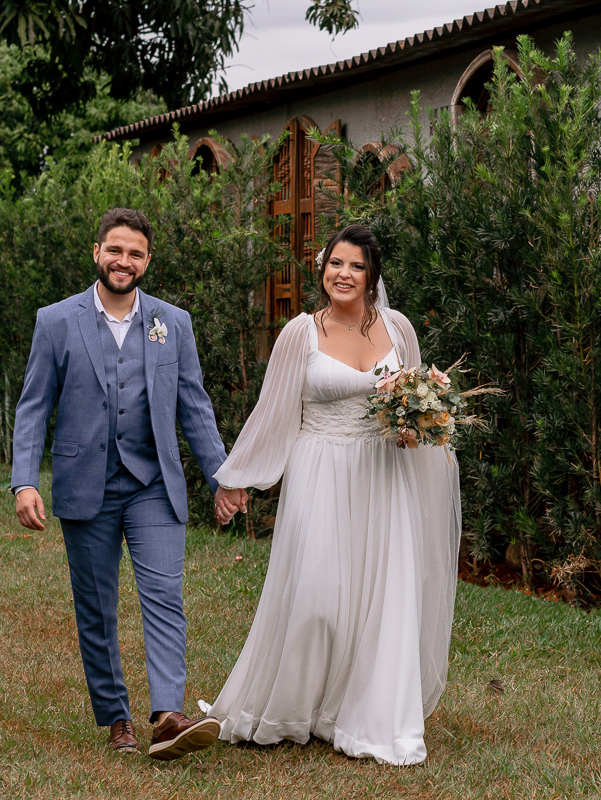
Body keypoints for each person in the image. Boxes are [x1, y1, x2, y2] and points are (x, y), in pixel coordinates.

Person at [205, 224, 461, 766]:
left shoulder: (398, 328)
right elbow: (273, 411)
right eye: (335, 264)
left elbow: (413, 404)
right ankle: (294, 706)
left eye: (356, 266)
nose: (343, 275)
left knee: (383, 598)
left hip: (384, 475)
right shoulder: (300, 333)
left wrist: (416, 426)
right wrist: (237, 477)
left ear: (372, 275)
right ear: (322, 269)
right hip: (319, 471)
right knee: (318, 598)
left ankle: (368, 717)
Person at [10, 208, 248, 760]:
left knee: (164, 594)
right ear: (97, 252)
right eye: (115, 250)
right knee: (96, 606)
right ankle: (117, 717)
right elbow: (33, 406)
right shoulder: (56, 321)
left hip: (152, 484)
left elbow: (194, 406)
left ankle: (166, 715)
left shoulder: (173, 323)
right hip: (84, 483)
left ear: (147, 261)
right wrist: (24, 481)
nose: (124, 261)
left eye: (135, 253)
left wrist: (223, 477)